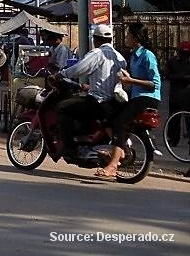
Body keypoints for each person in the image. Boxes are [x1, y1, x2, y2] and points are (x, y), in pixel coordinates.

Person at [97, 23, 162, 178]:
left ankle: (113, 165)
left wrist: (131, 80)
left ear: (135, 38)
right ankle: (116, 148)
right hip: (135, 97)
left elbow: (155, 84)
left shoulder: (147, 55)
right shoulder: (133, 56)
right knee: (107, 112)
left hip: (148, 98)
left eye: (128, 35)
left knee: (120, 122)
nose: (126, 38)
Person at [54, 24, 126, 159]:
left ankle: (68, 148)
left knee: (62, 107)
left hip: (98, 100)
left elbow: (79, 68)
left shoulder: (98, 53)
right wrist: (88, 86)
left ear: (96, 40)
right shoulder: (119, 57)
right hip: (114, 101)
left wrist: (62, 74)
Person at [166, 41, 190, 146]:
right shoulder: (172, 61)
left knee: (189, 119)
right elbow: (167, 75)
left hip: (188, 95)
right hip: (175, 95)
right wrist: (182, 77)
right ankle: (172, 139)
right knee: (174, 119)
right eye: (182, 53)